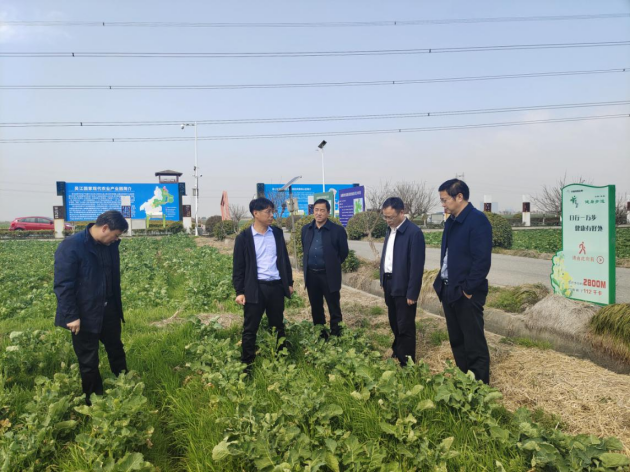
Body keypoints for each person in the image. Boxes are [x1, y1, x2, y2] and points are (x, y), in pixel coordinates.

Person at [54, 210, 129, 404]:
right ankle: (94, 400)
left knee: (116, 349)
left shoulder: (110, 246)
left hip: (109, 308)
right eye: (115, 235)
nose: (116, 239)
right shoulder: (72, 246)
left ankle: (125, 386)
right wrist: (71, 315)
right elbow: (63, 285)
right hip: (84, 313)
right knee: (88, 359)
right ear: (105, 228)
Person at [433, 179, 492, 384]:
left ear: (459, 197)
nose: (443, 204)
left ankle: (479, 387)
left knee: (473, 341)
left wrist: (467, 289)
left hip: (466, 292)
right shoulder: (452, 221)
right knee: (457, 340)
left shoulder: (477, 220)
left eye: (445, 200)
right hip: (449, 288)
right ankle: (464, 380)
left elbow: (481, 261)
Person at [233, 197, 294, 371]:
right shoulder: (244, 238)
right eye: (268, 212)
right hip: (255, 288)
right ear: (256, 213)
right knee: (250, 328)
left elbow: (284, 260)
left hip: (276, 287)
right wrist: (240, 291)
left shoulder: (277, 233)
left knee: (278, 325)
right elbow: (238, 267)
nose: (271, 215)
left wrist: (289, 283)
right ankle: (247, 364)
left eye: (272, 211)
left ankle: (281, 360)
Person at [379, 197, 426, 366]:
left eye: (390, 217)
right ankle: (398, 350)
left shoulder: (413, 233)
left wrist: (412, 292)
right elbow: (386, 257)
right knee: (393, 320)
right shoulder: (389, 230)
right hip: (389, 282)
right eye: (385, 217)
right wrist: (383, 279)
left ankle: (407, 361)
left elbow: (416, 266)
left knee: (405, 324)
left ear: (401, 212)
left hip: (404, 285)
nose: (387, 220)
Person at [301, 198, 349, 338]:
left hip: (329, 275)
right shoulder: (306, 229)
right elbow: (305, 248)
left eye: (322, 210)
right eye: (316, 210)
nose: (319, 213)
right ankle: (321, 334)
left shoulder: (337, 230)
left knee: (334, 306)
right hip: (311, 275)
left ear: (328, 212)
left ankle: (336, 335)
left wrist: (332, 264)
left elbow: (343, 252)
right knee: (316, 306)